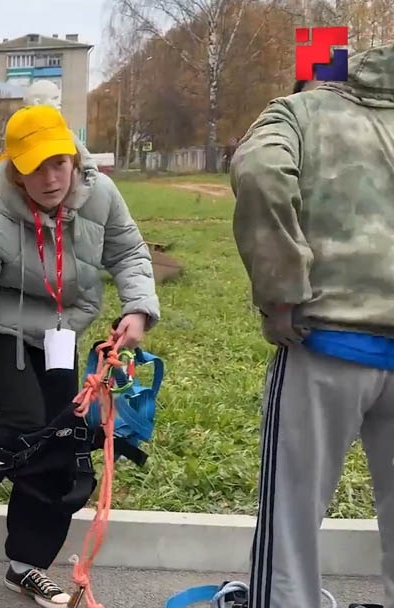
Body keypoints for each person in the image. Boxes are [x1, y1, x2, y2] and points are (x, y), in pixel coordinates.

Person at [0, 105, 161, 606]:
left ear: (74, 157)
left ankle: (25, 565)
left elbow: (130, 252)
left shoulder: (102, 197)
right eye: (34, 167)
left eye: (59, 163)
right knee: (27, 419)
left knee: (63, 441)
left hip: (61, 333)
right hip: (2, 331)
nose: (50, 178)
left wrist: (137, 308)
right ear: (14, 168)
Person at [229, 44, 394, 608]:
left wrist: (281, 294)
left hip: (327, 345)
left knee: (291, 520)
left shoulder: (298, 113)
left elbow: (260, 172)